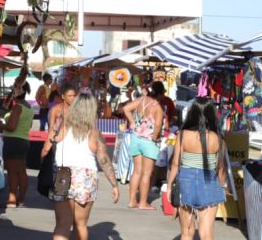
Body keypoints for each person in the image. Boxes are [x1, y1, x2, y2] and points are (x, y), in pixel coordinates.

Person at [41, 93, 119, 240]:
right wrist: (114, 184)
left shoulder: (60, 128)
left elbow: (46, 150)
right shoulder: (94, 134)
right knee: (81, 224)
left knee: (62, 225)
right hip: (86, 178)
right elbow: (104, 160)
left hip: (62, 175)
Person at [166, 98, 227, 240]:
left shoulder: (183, 135)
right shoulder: (218, 138)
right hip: (210, 183)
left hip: (186, 183)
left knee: (186, 233)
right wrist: (223, 186)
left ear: (192, 113)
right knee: (206, 234)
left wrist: (169, 186)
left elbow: (175, 164)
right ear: (212, 114)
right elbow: (220, 168)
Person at [123, 81, 164, 209]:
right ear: (160, 93)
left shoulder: (141, 100)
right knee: (146, 173)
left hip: (136, 138)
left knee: (136, 172)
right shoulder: (157, 107)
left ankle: (131, 201)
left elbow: (126, 109)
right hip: (149, 141)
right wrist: (155, 137)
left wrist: (133, 122)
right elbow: (157, 126)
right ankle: (143, 202)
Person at [0, 73, 33, 208]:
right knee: (21, 171)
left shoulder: (18, 107)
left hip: (13, 141)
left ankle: (12, 199)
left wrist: (0, 124)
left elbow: (11, 127)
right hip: (23, 140)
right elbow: (28, 125)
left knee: (13, 172)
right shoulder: (28, 107)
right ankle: (21, 198)